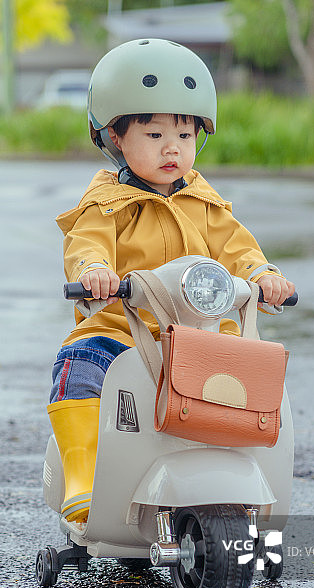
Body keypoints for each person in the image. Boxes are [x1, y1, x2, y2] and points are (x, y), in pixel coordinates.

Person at [47, 38, 295, 526]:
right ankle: (85, 478)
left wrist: (263, 276)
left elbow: (238, 247)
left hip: (198, 332)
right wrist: (94, 273)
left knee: (252, 370)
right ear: (115, 137)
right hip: (124, 330)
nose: (171, 149)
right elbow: (86, 245)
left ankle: (243, 478)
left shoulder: (205, 204)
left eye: (184, 136)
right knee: (79, 365)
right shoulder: (106, 205)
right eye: (154, 134)